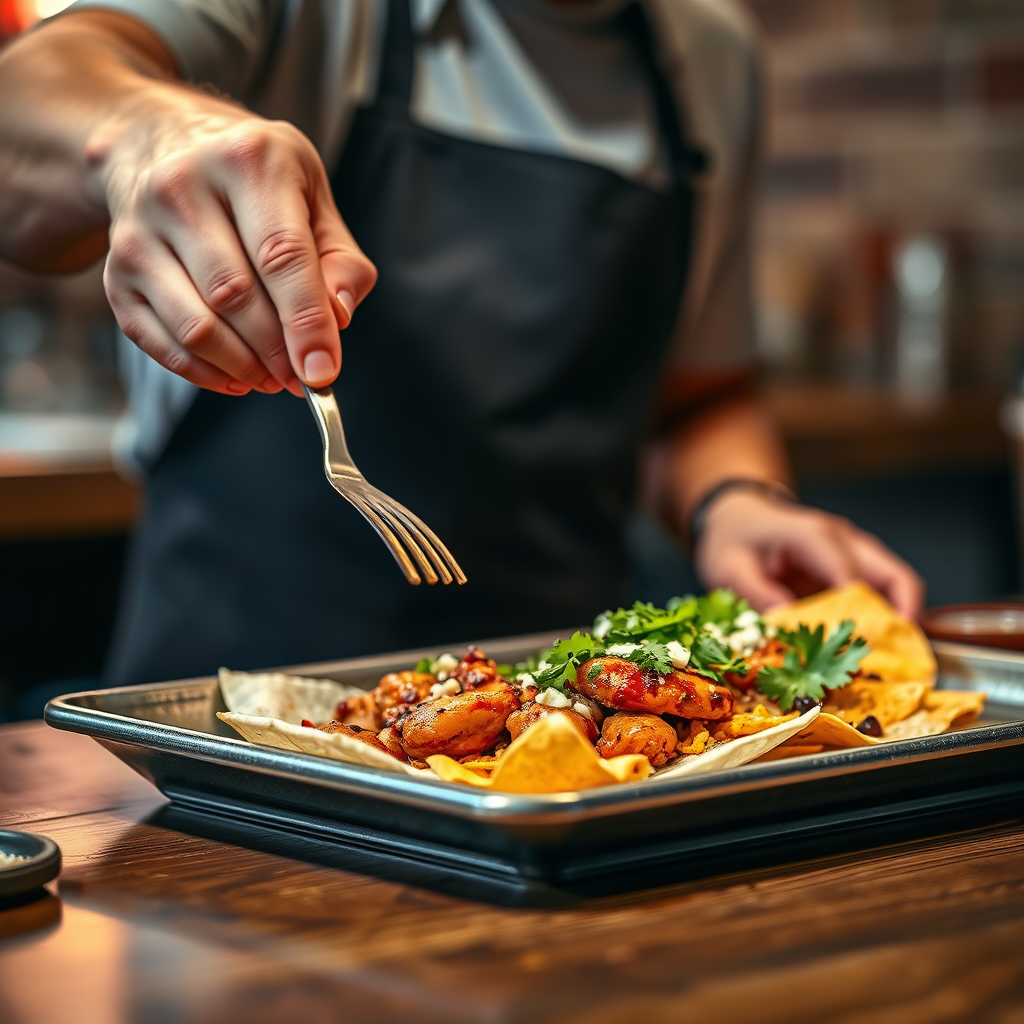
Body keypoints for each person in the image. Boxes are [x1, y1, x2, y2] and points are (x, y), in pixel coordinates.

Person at [0, 0, 922, 685]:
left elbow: (697, 393)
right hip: (231, 734)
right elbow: (27, 102)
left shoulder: (713, 57)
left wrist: (736, 501)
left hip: (575, 734)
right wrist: (142, 135)